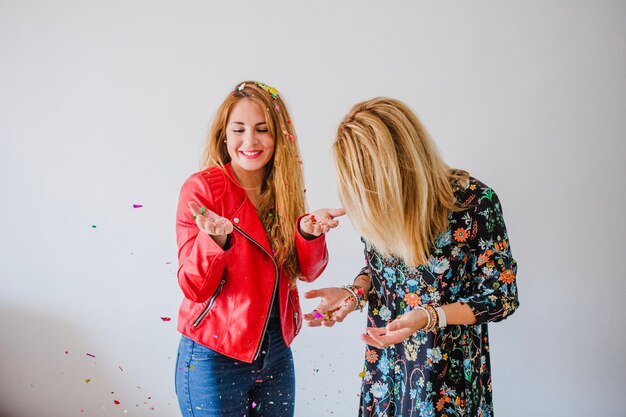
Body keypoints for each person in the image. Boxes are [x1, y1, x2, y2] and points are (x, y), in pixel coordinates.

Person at [304, 97, 519, 417]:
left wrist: (430, 317)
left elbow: (502, 297)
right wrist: (355, 292)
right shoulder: (375, 203)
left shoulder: (474, 203)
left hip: (446, 380)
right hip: (387, 373)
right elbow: (381, 271)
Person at [174, 81, 345, 417]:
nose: (250, 141)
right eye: (239, 129)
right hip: (214, 356)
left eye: (262, 129)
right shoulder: (203, 189)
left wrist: (308, 234)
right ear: (224, 135)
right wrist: (215, 241)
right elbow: (194, 288)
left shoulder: (285, 188)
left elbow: (307, 271)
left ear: (278, 135)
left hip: (277, 353)